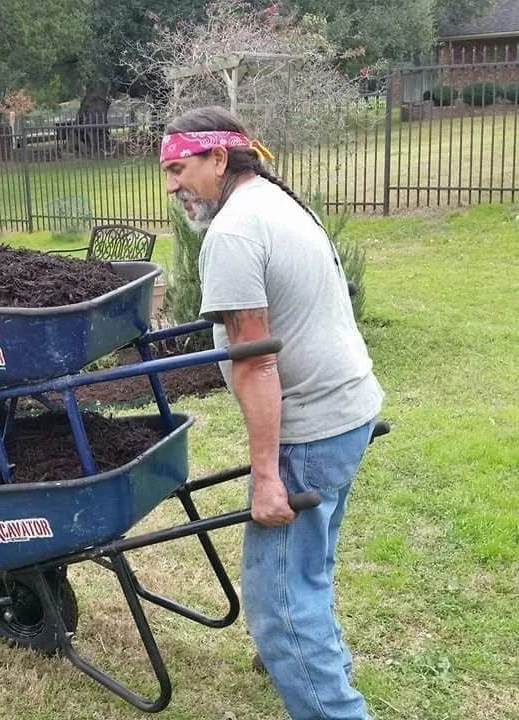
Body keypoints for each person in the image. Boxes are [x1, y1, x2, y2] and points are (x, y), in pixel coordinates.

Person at [160, 106, 384, 720]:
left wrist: (266, 476)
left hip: (310, 430)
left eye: (181, 169)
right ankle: (307, 653)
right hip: (350, 409)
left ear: (219, 158)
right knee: (309, 566)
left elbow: (255, 363)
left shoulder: (234, 232)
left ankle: (327, 698)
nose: (172, 186)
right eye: (167, 172)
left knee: (279, 607)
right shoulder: (276, 202)